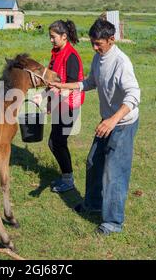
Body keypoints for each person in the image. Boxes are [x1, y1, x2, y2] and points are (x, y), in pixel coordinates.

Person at [50, 18, 140, 236]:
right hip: (107, 120)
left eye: (98, 43)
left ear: (111, 39)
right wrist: (64, 85)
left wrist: (112, 120)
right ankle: (93, 204)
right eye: (92, 42)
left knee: (114, 171)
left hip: (123, 123)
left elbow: (134, 95)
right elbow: (89, 82)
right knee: (93, 161)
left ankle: (113, 222)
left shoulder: (121, 62)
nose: (94, 47)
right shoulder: (99, 58)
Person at [35, 20, 85, 193]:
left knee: (56, 142)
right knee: (55, 141)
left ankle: (68, 180)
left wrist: (49, 98)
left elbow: (71, 86)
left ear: (64, 36)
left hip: (69, 106)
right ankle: (66, 176)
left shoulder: (71, 56)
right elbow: (52, 81)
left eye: (53, 37)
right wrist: (44, 97)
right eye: (50, 36)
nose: (51, 40)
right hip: (59, 104)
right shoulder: (56, 53)